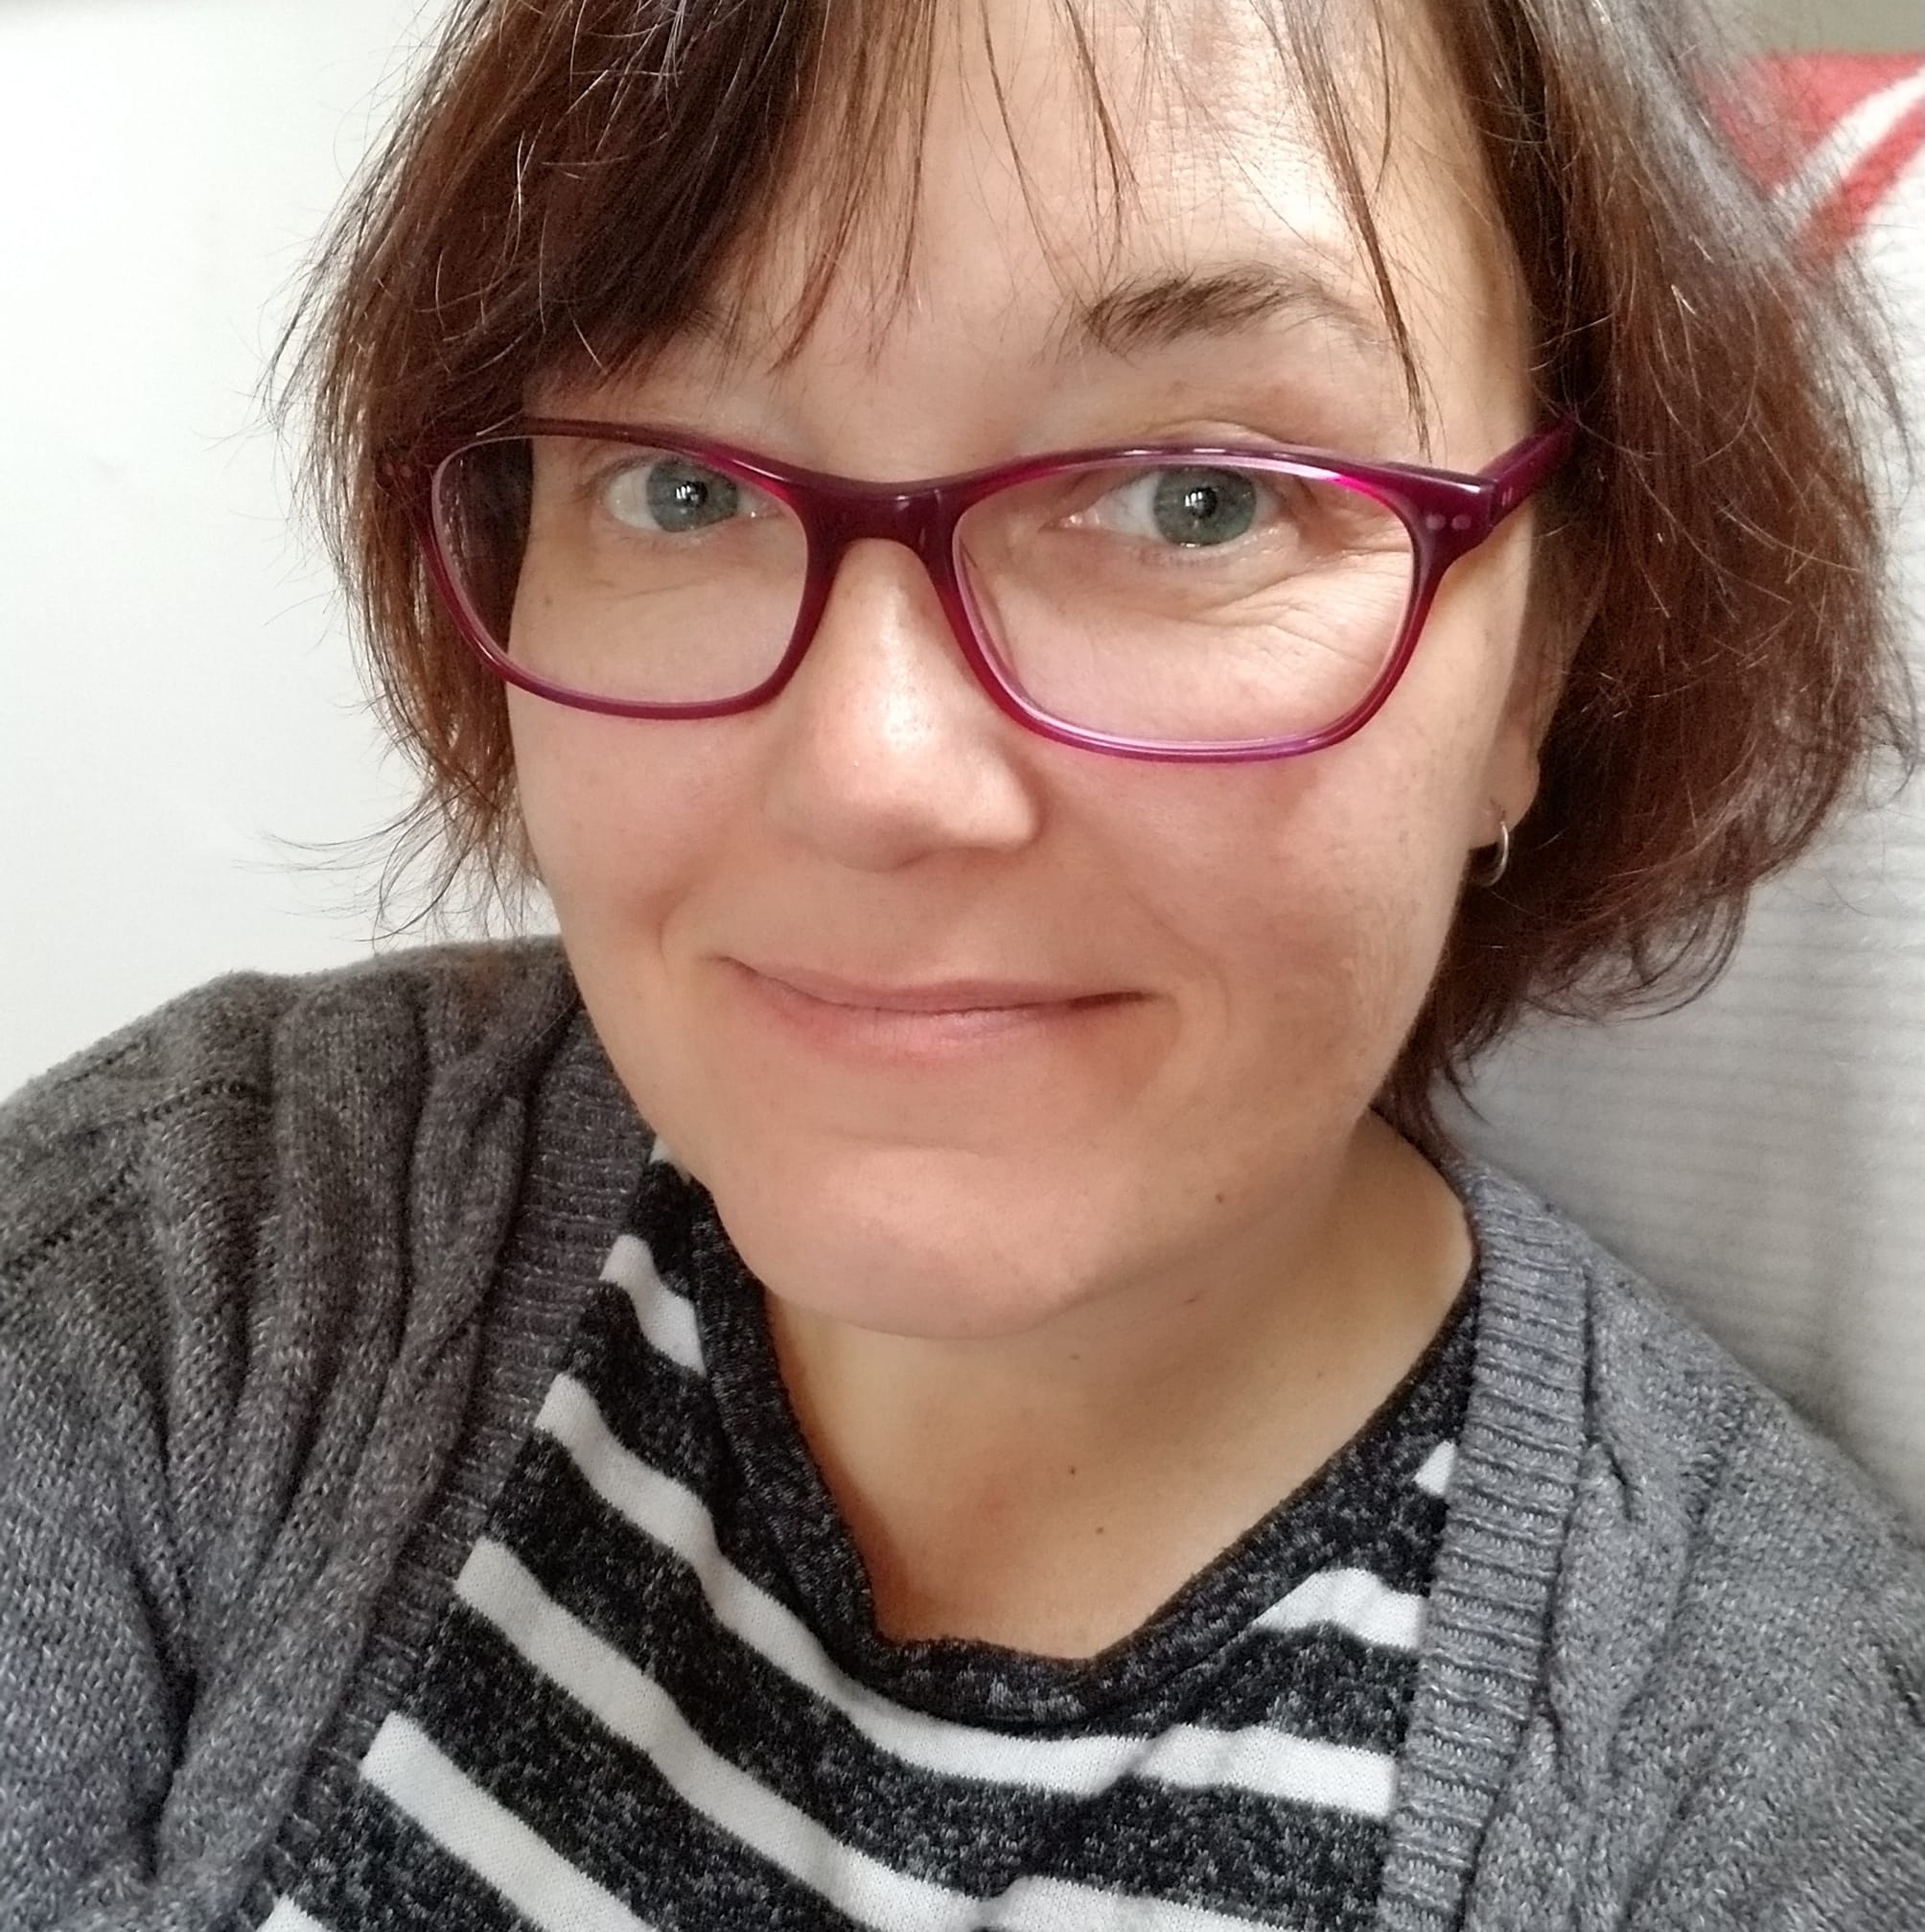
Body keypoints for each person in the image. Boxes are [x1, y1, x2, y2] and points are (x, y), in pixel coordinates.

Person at [2, 0, 1921, 1926]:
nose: (871, 773)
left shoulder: (1764, 1800)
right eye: (680, 485)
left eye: (1195, 499)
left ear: (1543, 651)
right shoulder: (198, 1257)